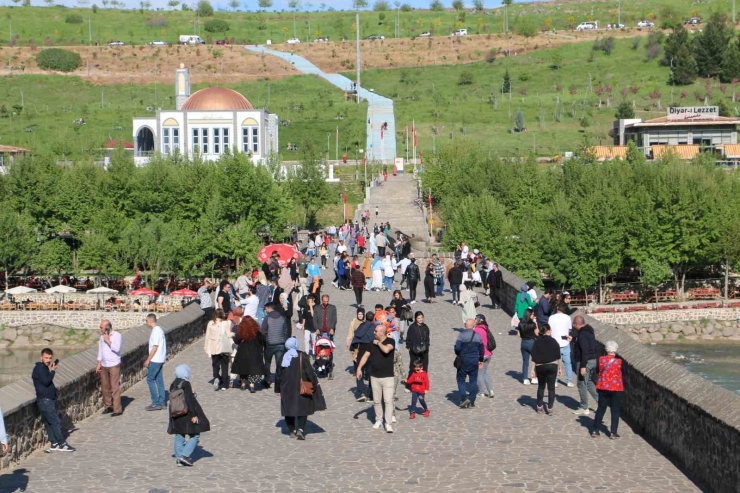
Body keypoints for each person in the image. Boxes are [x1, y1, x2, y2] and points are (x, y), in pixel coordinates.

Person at [280, 337, 327, 440]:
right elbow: (309, 371)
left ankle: (292, 430)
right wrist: (314, 383)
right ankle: (300, 429)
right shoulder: (302, 355)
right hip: (301, 385)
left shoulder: (283, 357)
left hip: (286, 386)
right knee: (303, 407)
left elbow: (279, 374)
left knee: (288, 408)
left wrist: (277, 389)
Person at [356, 325, 397, 433]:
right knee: (377, 401)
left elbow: (387, 350)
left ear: (382, 333)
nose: (374, 332)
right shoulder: (372, 343)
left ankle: (388, 423)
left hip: (388, 377)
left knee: (388, 401)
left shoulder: (390, 341)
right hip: (374, 376)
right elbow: (365, 356)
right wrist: (359, 368)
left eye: (376, 331)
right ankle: (378, 419)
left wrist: (378, 343)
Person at [33, 348, 75, 452]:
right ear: (41, 357)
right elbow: (46, 381)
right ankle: (62, 444)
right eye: (46, 358)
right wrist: (53, 371)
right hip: (45, 400)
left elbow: (46, 383)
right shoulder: (40, 369)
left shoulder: (43, 368)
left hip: (45, 400)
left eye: (50, 358)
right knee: (55, 422)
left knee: (49, 422)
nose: (48, 360)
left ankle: (54, 443)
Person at [167, 365, 210, 467]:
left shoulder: (173, 384)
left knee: (179, 436)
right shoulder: (186, 384)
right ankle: (184, 455)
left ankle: (179, 459)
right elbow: (189, 400)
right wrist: (194, 415)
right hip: (186, 414)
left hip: (176, 413)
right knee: (195, 435)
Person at [591, 340, 626, 439]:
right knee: (615, 410)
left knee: (601, 409)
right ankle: (613, 432)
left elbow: (597, 370)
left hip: (603, 387)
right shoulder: (619, 361)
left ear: (606, 349)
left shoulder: (601, 359)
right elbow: (624, 372)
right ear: (615, 350)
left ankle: (595, 430)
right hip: (616, 388)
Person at [454, 319, 485, 409]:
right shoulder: (478, 336)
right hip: (474, 361)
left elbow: (457, 348)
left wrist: (458, 353)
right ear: (473, 326)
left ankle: (463, 398)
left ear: (466, 325)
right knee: (473, 381)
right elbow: (482, 350)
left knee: (460, 379)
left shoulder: (461, 335)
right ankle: (471, 401)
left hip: (464, 360)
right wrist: (480, 360)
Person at [572, 315, 599, 416]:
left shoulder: (582, 335)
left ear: (577, 324)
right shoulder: (589, 332)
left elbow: (584, 351)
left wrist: (583, 366)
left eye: (574, 324)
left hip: (586, 362)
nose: (573, 326)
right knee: (589, 382)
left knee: (581, 383)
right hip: (593, 360)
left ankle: (584, 407)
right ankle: (600, 402)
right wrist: (574, 339)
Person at [231, 316, 266, 392]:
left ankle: (243, 384)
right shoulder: (256, 331)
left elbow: (237, 341)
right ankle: (252, 384)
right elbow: (262, 339)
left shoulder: (241, 331)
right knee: (252, 368)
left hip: (243, 351)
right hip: (254, 351)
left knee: (243, 367)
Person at [531, 323, 560, 415]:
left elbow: (534, 357)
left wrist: (532, 369)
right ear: (548, 331)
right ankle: (550, 408)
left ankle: (539, 407)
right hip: (552, 365)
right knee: (551, 388)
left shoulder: (537, 341)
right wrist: (560, 368)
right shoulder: (554, 341)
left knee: (541, 386)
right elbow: (558, 356)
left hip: (540, 366)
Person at [96, 319, 123, 416]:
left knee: (114, 387)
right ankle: (108, 406)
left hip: (114, 364)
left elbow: (117, 348)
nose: (100, 329)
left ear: (107, 327)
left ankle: (117, 409)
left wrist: (108, 341)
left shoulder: (117, 336)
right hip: (104, 364)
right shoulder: (101, 337)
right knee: (105, 387)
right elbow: (100, 350)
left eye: (101, 327)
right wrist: (99, 363)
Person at [261, 302, 289, 393]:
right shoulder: (282, 317)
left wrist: (265, 341)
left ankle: (267, 380)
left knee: (267, 363)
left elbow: (263, 332)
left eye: (266, 309)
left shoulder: (267, 318)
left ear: (269, 308)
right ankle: (279, 382)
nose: (265, 311)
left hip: (270, 344)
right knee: (279, 364)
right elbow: (285, 330)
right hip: (281, 344)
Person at [350, 310, 375, 402]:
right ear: (373, 318)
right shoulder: (375, 327)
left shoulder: (361, 326)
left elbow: (355, 338)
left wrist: (354, 352)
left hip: (362, 351)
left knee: (359, 370)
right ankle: (372, 394)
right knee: (372, 372)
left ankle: (361, 392)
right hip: (372, 351)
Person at [204, 309, 231, 391]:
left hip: (213, 346)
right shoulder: (225, 323)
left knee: (215, 364)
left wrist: (206, 347)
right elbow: (228, 334)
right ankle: (224, 384)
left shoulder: (210, 323)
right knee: (224, 365)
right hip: (223, 347)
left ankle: (216, 377)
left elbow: (207, 336)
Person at [548, 303, 574, 387]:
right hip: (565, 342)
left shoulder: (551, 318)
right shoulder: (567, 318)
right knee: (567, 363)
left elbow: (549, 330)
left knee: (554, 363)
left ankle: (555, 380)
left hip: (554, 343)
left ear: (557, 308)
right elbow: (569, 330)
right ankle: (569, 381)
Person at [144, 313, 167, 410]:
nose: (145, 322)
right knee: (159, 380)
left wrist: (148, 360)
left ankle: (155, 402)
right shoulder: (159, 330)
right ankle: (162, 402)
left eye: (146, 320)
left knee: (150, 379)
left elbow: (155, 347)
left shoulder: (156, 331)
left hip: (156, 359)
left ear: (150, 320)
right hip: (160, 359)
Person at [473, 314, 494, 399]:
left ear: (479, 320)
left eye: (476, 319)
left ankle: (481, 392)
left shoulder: (477, 330)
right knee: (484, 373)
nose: (474, 320)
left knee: (479, 374)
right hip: (488, 354)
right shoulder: (485, 328)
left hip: (481, 355)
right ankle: (491, 391)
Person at [405, 311, 430, 375]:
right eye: (419, 318)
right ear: (416, 318)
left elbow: (427, 337)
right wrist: (409, 347)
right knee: (413, 366)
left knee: (424, 366)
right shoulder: (412, 327)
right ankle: (410, 382)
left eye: (422, 317)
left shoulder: (425, 327)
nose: (421, 319)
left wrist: (427, 345)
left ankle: (423, 382)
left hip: (424, 350)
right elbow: (408, 337)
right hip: (414, 350)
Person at [518, 309, 538, 385]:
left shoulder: (521, 324)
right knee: (535, 360)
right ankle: (534, 377)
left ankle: (525, 378)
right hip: (532, 342)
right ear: (529, 315)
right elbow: (537, 333)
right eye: (533, 314)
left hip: (523, 342)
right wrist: (536, 323)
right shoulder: (533, 324)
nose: (534, 316)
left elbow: (519, 335)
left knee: (525, 361)